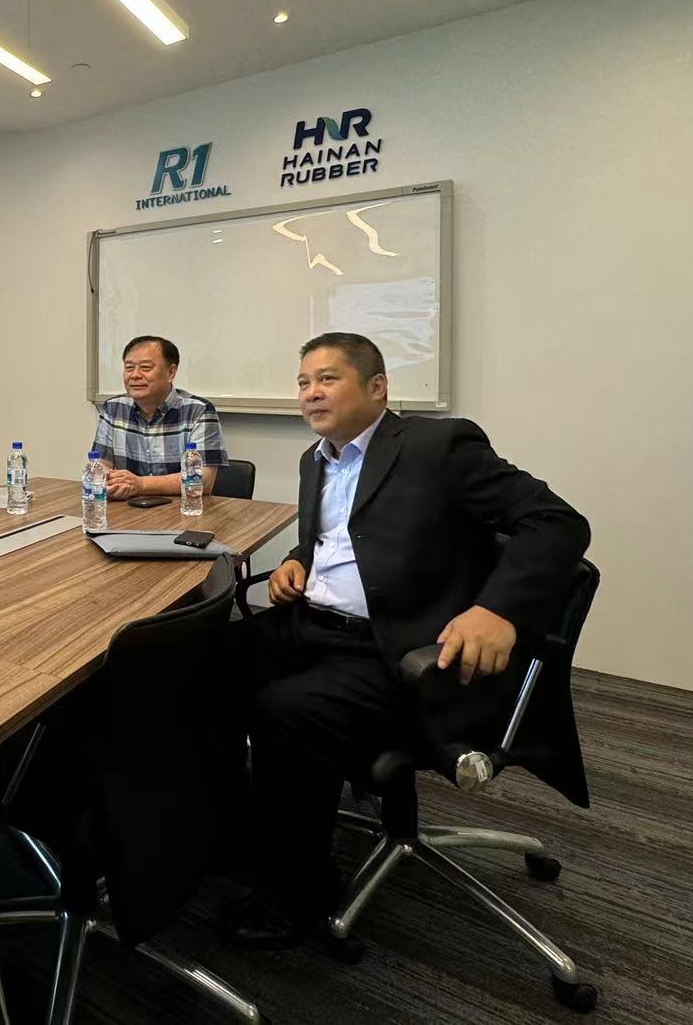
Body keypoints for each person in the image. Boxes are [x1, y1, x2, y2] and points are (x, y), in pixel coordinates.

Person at [225, 332, 591, 947]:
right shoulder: (317, 457)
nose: (311, 393)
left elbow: (557, 523)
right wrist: (298, 559)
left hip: (398, 648)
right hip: (313, 624)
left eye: (327, 379)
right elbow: (340, 538)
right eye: (303, 382)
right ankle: (235, 830)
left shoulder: (437, 446)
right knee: (200, 663)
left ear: (378, 387)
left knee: (286, 711)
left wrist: (496, 611)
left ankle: (299, 894)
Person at [91, 335, 227, 500]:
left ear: (171, 372)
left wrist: (141, 485)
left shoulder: (198, 411)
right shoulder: (113, 408)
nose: (135, 375)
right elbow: (100, 464)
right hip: (127, 508)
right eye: (129, 368)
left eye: (145, 367)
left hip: (182, 509)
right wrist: (111, 483)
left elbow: (203, 480)